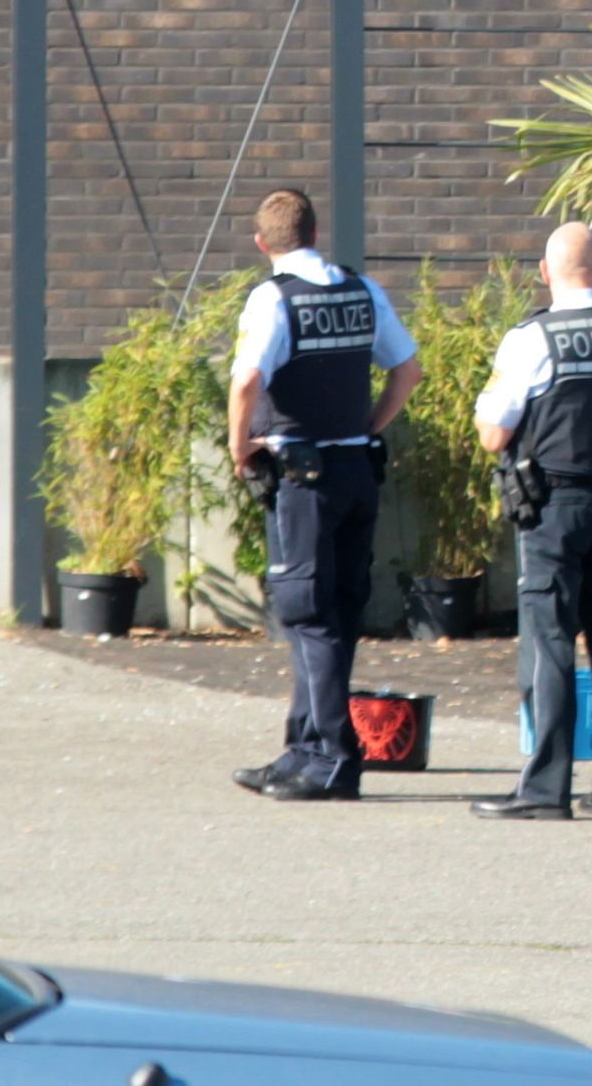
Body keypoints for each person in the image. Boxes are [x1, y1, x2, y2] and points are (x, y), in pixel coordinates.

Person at [224, 187, 418, 803]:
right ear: (313, 233)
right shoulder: (362, 290)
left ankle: (334, 758)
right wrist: (369, 427)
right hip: (356, 470)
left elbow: (247, 381)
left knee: (307, 614)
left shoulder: (273, 297)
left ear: (262, 243)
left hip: (303, 479)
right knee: (334, 614)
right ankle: (302, 750)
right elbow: (408, 370)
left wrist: (239, 447)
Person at [470, 221, 592, 822]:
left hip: (553, 508)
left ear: (545, 273)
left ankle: (545, 790)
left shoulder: (531, 339)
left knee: (550, 646)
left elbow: (494, 432)